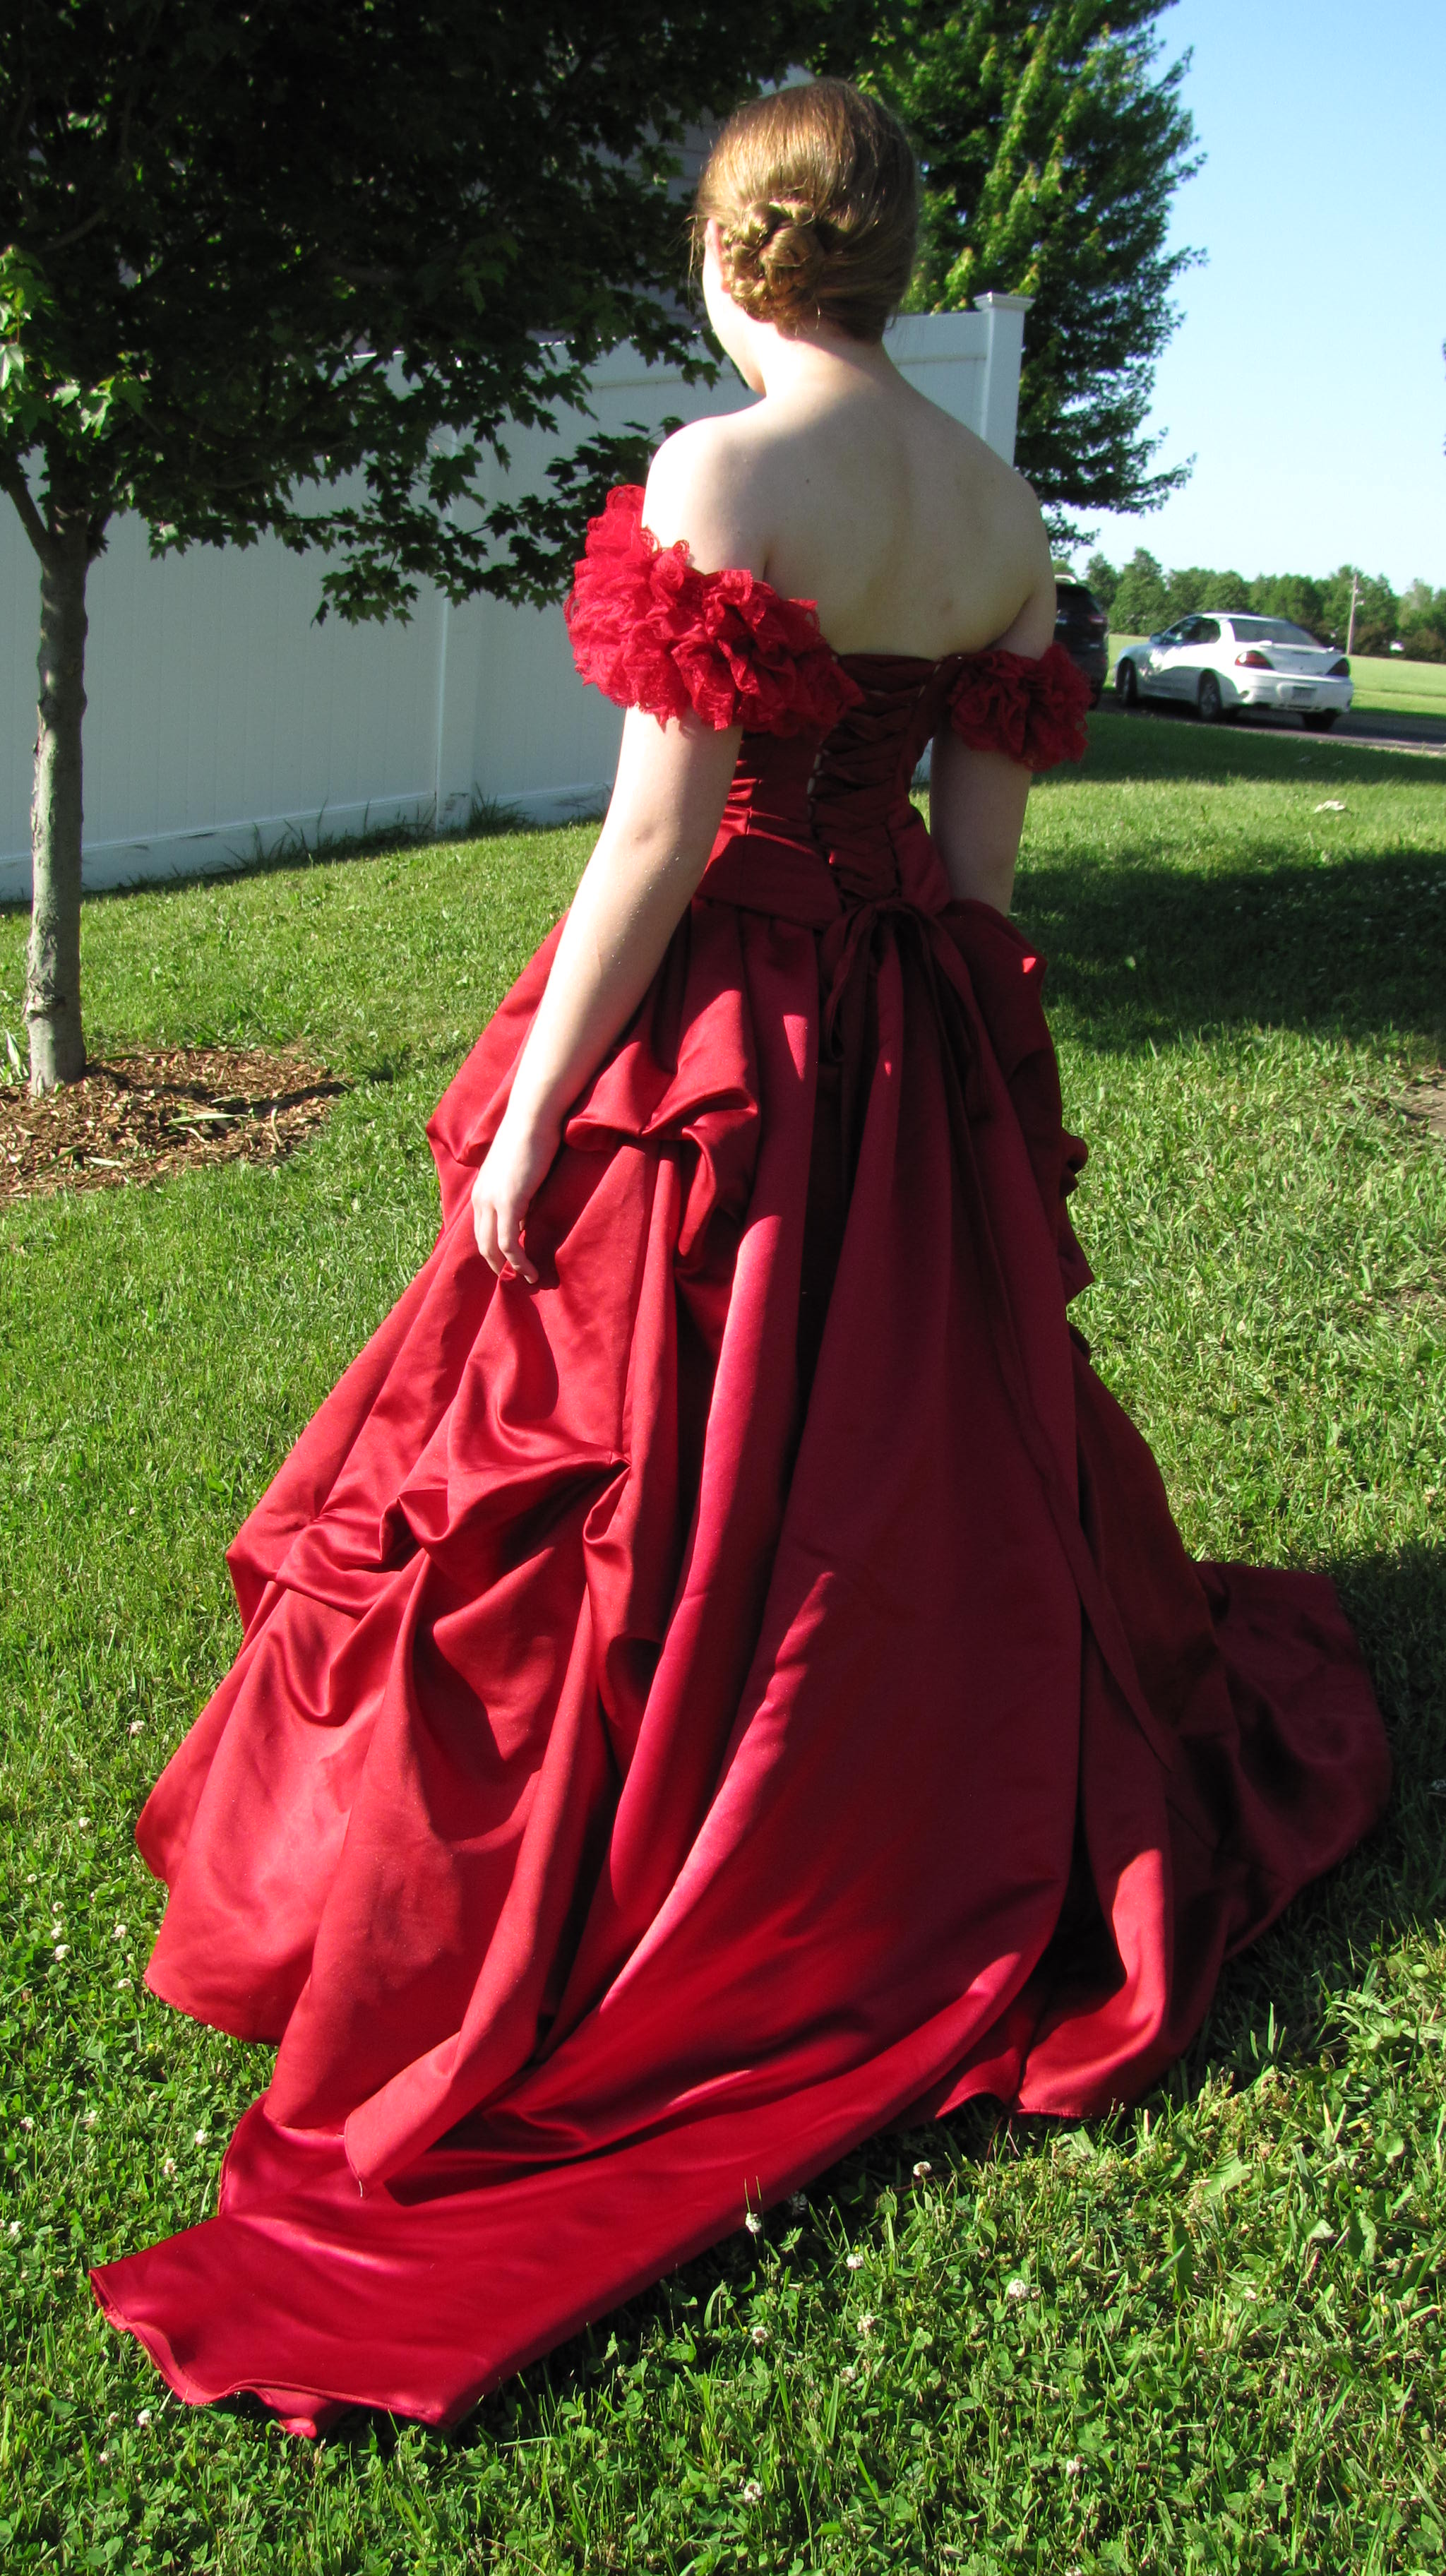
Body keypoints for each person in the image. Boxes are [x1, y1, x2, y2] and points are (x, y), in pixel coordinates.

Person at [92, 80, 1389, 2436]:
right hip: (901, 1033)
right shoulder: (1001, 514)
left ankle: (641, 1869)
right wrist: (941, 1091)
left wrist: (539, 1110)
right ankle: (860, 1798)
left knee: (619, 1457)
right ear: (893, 261)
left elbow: (658, 842)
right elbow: (978, 880)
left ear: (735, 254)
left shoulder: (718, 473)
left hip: (722, 1038)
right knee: (895, 1452)